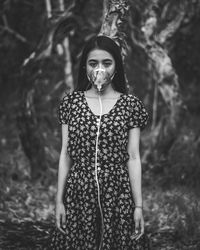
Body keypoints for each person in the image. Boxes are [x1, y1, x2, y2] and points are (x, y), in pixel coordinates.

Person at [49, 35, 150, 249]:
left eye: (107, 63)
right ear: (85, 66)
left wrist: (138, 205)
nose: (99, 69)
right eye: (93, 63)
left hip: (118, 193)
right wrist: (59, 201)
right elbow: (65, 154)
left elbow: (133, 157)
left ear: (116, 66)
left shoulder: (130, 105)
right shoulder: (71, 103)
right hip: (79, 193)